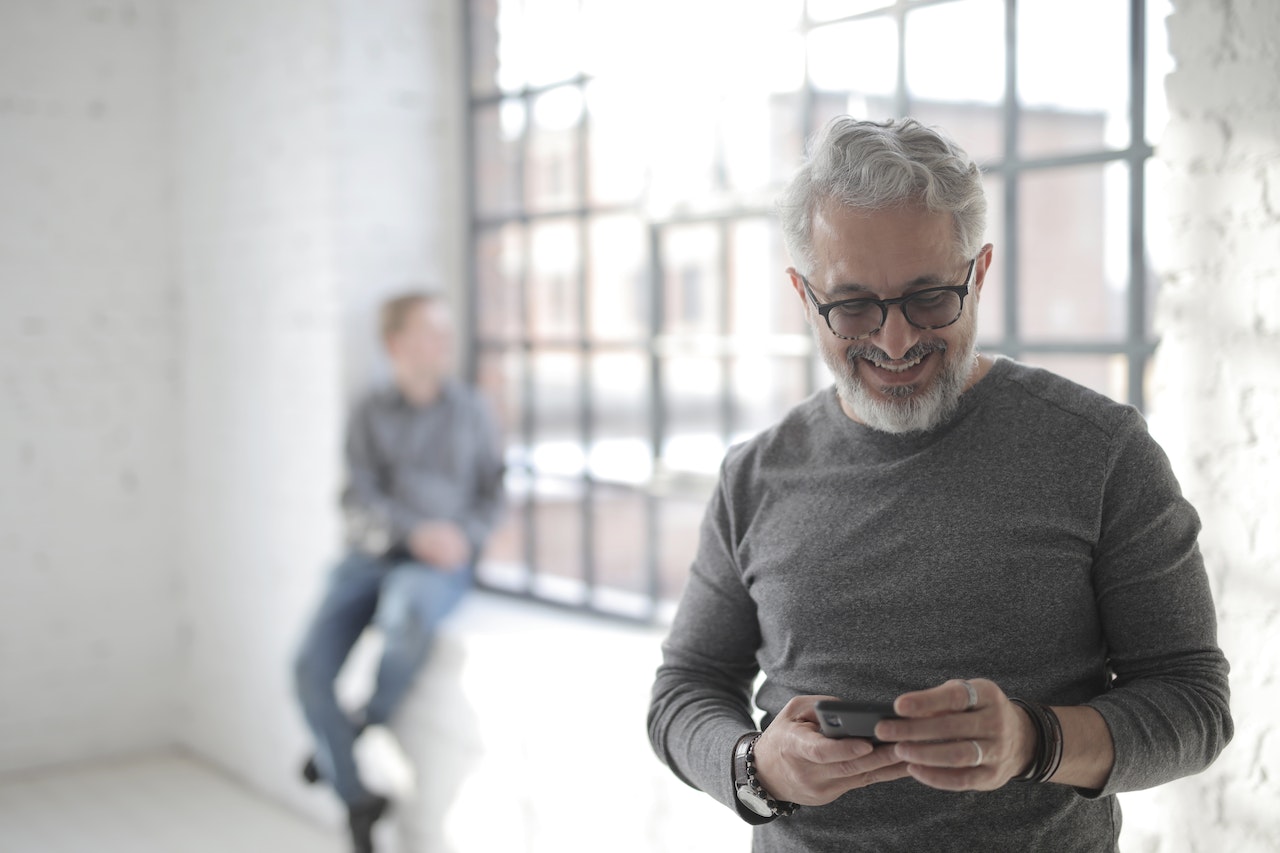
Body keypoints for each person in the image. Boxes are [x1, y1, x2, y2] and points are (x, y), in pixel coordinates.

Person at [647, 117, 1232, 852]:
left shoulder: (1100, 451)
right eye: (853, 304)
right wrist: (757, 766)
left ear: (979, 272)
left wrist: (1032, 741)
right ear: (803, 294)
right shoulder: (755, 474)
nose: (895, 342)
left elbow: (1194, 704)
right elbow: (684, 690)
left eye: (930, 297)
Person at [293, 291, 504, 853]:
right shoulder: (368, 411)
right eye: (431, 332)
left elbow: (493, 493)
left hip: (438, 567)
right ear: (396, 343)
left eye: (446, 331)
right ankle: (357, 797)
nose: (445, 343)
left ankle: (354, 729)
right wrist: (414, 533)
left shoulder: (472, 411)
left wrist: (463, 538)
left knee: (405, 612)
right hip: (371, 556)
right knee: (307, 667)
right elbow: (356, 500)